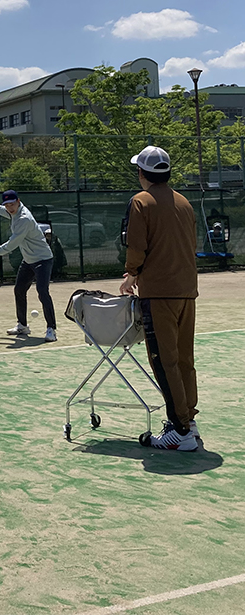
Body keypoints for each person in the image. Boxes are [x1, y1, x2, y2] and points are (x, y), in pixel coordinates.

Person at [119, 146, 199, 451]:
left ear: (142, 173)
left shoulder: (141, 201)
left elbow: (136, 245)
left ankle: (180, 430)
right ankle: (188, 420)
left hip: (159, 293)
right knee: (183, 360)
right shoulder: (184, 202)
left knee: (164, 362)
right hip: (186, 291)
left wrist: (131, 273)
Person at [0, 189, 57, 342]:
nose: (9, 207)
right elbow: (5, 211)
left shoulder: (24, 219)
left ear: (18, 201)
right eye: (7, 205)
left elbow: (11, 245)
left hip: (42, 259)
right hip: (29, 260)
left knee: (42, 292)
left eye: (12, 204)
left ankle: (51, 330)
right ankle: (22, 325)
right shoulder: (13, 211)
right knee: (19, 290)